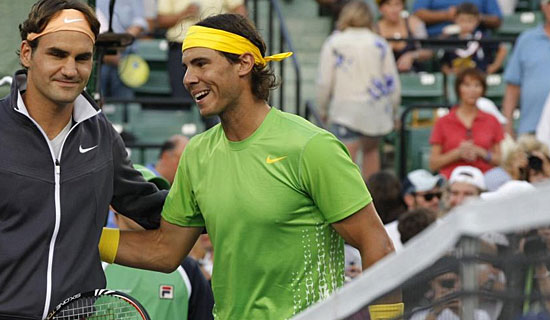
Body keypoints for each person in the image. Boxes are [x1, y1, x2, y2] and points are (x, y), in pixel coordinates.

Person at [100, 13, 401, 320]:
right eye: (186, 67)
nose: (188, 78)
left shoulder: (311, 146)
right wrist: (77, 239)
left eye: (201, 63)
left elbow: (376, 244)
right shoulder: (197, 153)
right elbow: (166, 250)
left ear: (243, 64)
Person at [0, 1, 167, 319]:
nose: (71, 69)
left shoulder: (101, 134)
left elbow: (152, 209)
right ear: (26, 53)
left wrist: (214, 198)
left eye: (82, 58)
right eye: (57, 54)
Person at [105, 165, 214, 320]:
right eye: (141, 197)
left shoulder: (188, 269)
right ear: (112, 205)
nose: (151, 206)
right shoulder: (90, 266)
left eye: (156, 198)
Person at [316, 0, 401, 179]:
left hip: (345, 110)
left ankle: (347, 203)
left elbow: (324, 82)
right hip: (374, 109)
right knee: (371, 154)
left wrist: (322, 108)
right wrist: (393, 112)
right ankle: (374, 200)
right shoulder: (379, 43)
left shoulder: (334, 42)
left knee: (346, 161)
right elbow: (392, 82)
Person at [157, 0, 246, 100]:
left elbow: (239, 12)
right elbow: (160, 20)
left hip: (216, 46)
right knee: (182, 97)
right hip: (180, 47)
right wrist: (184, 13)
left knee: (218, 94)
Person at [429, 68, 504, 178]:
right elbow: (433, 163)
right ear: (458, 88)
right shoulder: (443, 121)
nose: (472, 90)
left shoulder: (492, 120)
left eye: (477, 85)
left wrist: (481, 152)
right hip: (452, 178)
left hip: (484, 178)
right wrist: (457, 153)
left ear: (483, 90)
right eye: (467, 85)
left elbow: (500, 160)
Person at [502, 0, 550, 138]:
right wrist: (507, 126)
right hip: (531, 129)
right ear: (542, 6)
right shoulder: (526, 39)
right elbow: (512, 86)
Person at [95, 0, 149, 100]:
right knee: (96, 99)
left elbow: (139, 23)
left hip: (124, 55)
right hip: (98, 55)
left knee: (124, 102)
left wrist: (120, 45)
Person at [439, 2, 507, 75]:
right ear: (455, 20)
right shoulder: (451, 39)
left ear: (477, 21)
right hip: (456, 80)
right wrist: (449, 73)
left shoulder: (483, 37)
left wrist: (493, 67)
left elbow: (502, 49)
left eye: (470, 20)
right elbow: (443, 61)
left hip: (480, 78)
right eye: (462, 20)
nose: (466, 24)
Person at [375, 0, 433, 72]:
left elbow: (428, 51)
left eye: (397, 4)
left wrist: (412, 56)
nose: (394, 9)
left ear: (403, 6)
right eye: (388, 4)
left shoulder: (414, 23)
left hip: (414, 74)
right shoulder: (374, 29)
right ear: (380, 8)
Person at [412, 0, 502, 37]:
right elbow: (418, 14)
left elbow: (497, 20)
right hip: (438, 40)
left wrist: (474, 17)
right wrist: (446, 15)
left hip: (474, 40)